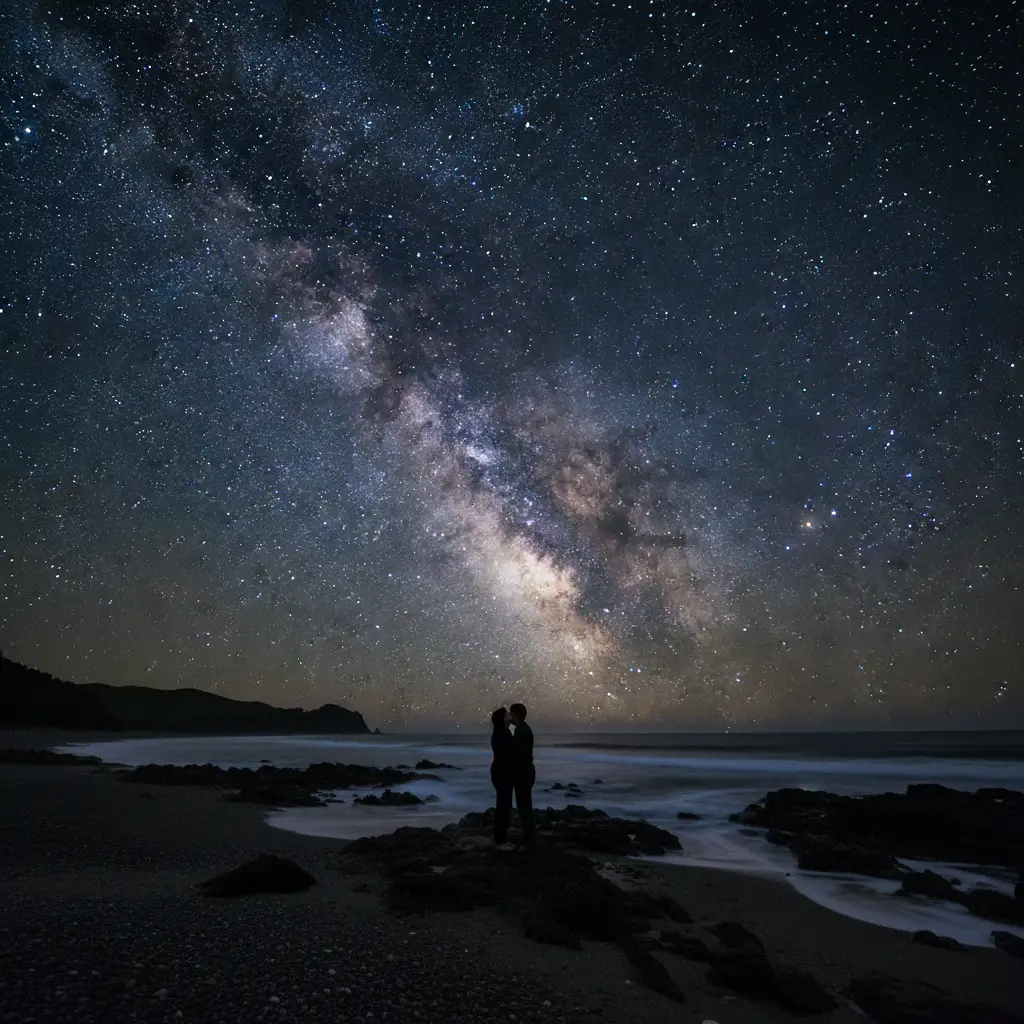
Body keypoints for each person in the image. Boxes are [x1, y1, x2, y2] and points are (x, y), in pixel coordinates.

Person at [508, 702, 535, 847]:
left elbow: (515, 753)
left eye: (511, 713)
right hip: (526, 771)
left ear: (516, 715)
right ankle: (529, 837)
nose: (509, 716)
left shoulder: (521, 731)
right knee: (525, 806)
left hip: (523, 773)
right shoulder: (523, 728)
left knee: (524, 806)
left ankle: (529, 840)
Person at [490, 706, 516, 846]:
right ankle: (501, 842)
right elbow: (510, 754)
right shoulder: (504, 734)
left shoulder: (498, 733)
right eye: (507, 715)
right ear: (503, 719)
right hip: (503, 773)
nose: (510, 716)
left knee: (502, 806)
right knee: (504, 808)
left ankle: (500, 839)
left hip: (498, 772)